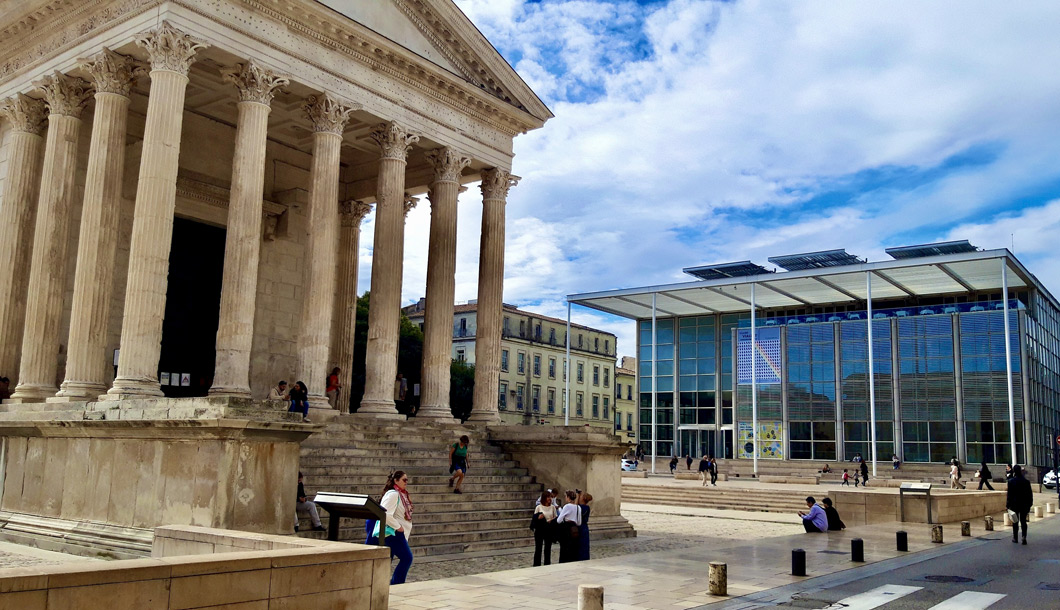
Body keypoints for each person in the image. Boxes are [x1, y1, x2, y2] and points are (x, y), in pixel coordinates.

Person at [368, 471, 414, 583]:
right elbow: (385, 513)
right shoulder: (394, 494)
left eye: (407, 480)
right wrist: (399, 527)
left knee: (389, 559)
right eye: (404, 480)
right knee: (407, 558)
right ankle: (397, 583)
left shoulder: (401, 494)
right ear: (396, 480)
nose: (406, 482)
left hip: (395, 532)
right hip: (394, 533)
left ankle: (380, 584)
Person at [1006, 465, 1033, 545]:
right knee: (1023, 521)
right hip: (1024, 504)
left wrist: (1008, 504)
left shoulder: (1011, 481)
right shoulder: (1026, 482)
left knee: (1015, 521)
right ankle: (1024, 536)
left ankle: (1015, 537)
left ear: (1014, 471)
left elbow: (1009, 495)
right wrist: (1030, 504)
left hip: (1014, 504)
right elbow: (1029, 494)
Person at [532, 491, 557, 566]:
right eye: (548, 497)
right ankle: (537, 564)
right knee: (538, 548)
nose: (550, 499)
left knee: (548, 548)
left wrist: (551, 520)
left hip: (548, 529)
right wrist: (539, 517)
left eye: (551, 497)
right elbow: (534, 518)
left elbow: (555, 517)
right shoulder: (538, 507)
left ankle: (547, 563)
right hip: (540, 529)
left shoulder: (552, 507)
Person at [556, 490, 581, 563]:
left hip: (566, 528)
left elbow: (559, 520)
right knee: (573, 547)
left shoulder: (567, 506)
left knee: (565, 547)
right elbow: (579, 522)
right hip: (574, 528)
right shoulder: (578, 507)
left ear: (568, 497)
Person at [577, 492, 593, 561]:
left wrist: (577, 496)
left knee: (581, 544)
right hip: (585, 527)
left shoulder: (581, 507)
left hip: (581, 527)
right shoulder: (587, 507)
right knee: (584, 544)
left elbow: (576, 507)